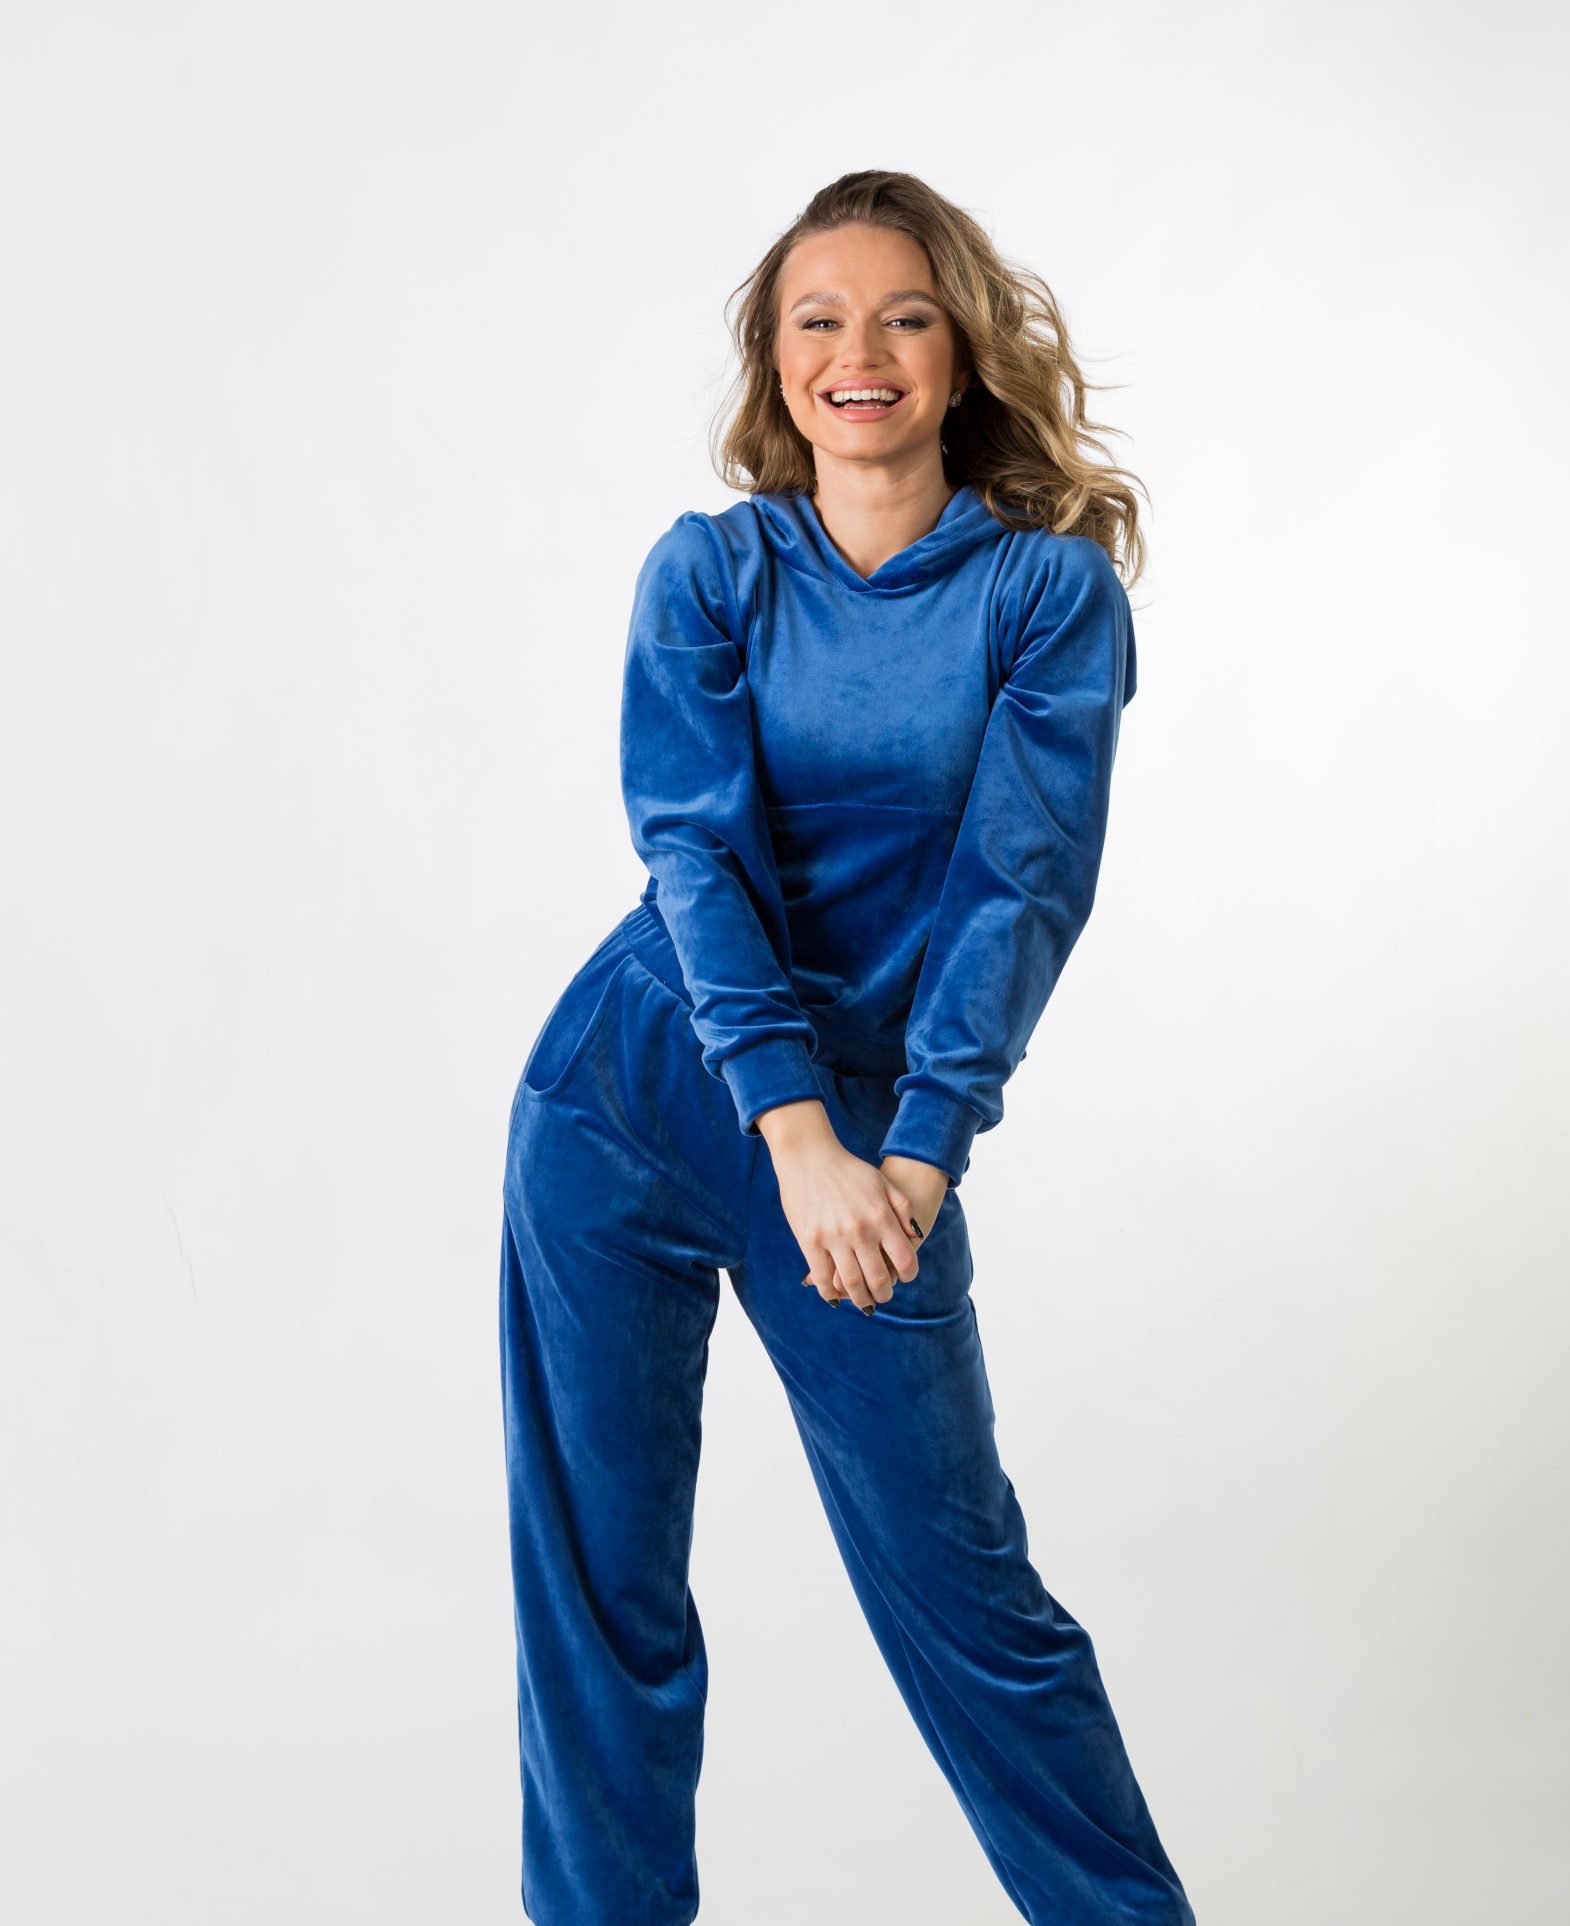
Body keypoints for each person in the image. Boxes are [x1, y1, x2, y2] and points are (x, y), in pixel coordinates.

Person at [498, 168, 1196, 1925]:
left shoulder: (1043, 597)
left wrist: (912, 1152)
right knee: (602, 1602)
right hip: (626, 1097)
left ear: (960, 353)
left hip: (878, 1148)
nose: (856, 352)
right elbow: (696, 854)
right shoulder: (712, 572)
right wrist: (794, 1132)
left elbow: (1018, 889)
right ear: (774, 360)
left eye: (901, 316)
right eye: (817, 319)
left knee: (973, 1607)